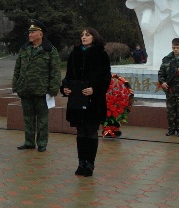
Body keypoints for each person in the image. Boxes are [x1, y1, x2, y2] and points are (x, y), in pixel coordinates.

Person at [60, 27, 111, 177]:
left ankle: (90, 164)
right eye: (82, 35)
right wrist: (65, 88)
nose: (83, 37)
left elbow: (106, 78)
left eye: (87, 35)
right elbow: (68, 76)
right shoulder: (74, 54)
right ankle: (81, 163)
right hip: (77, 99)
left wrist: (95, 89)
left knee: (91, 131)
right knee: (81, 131)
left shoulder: (101, 55)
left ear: (94, 37)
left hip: (94, 100)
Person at [12, 19, 61, 153]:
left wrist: (53, 89)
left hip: (42, 90)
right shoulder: (24, 49)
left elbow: (55, 71)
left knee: (42, 120)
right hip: (25, 89)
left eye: (33, 32)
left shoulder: (49, 50)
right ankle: (29, 142)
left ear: (41, 34)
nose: (30, 34)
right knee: (28, 118)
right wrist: (15, 85)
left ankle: (42, 143)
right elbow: (18, 68)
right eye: (29, 32)